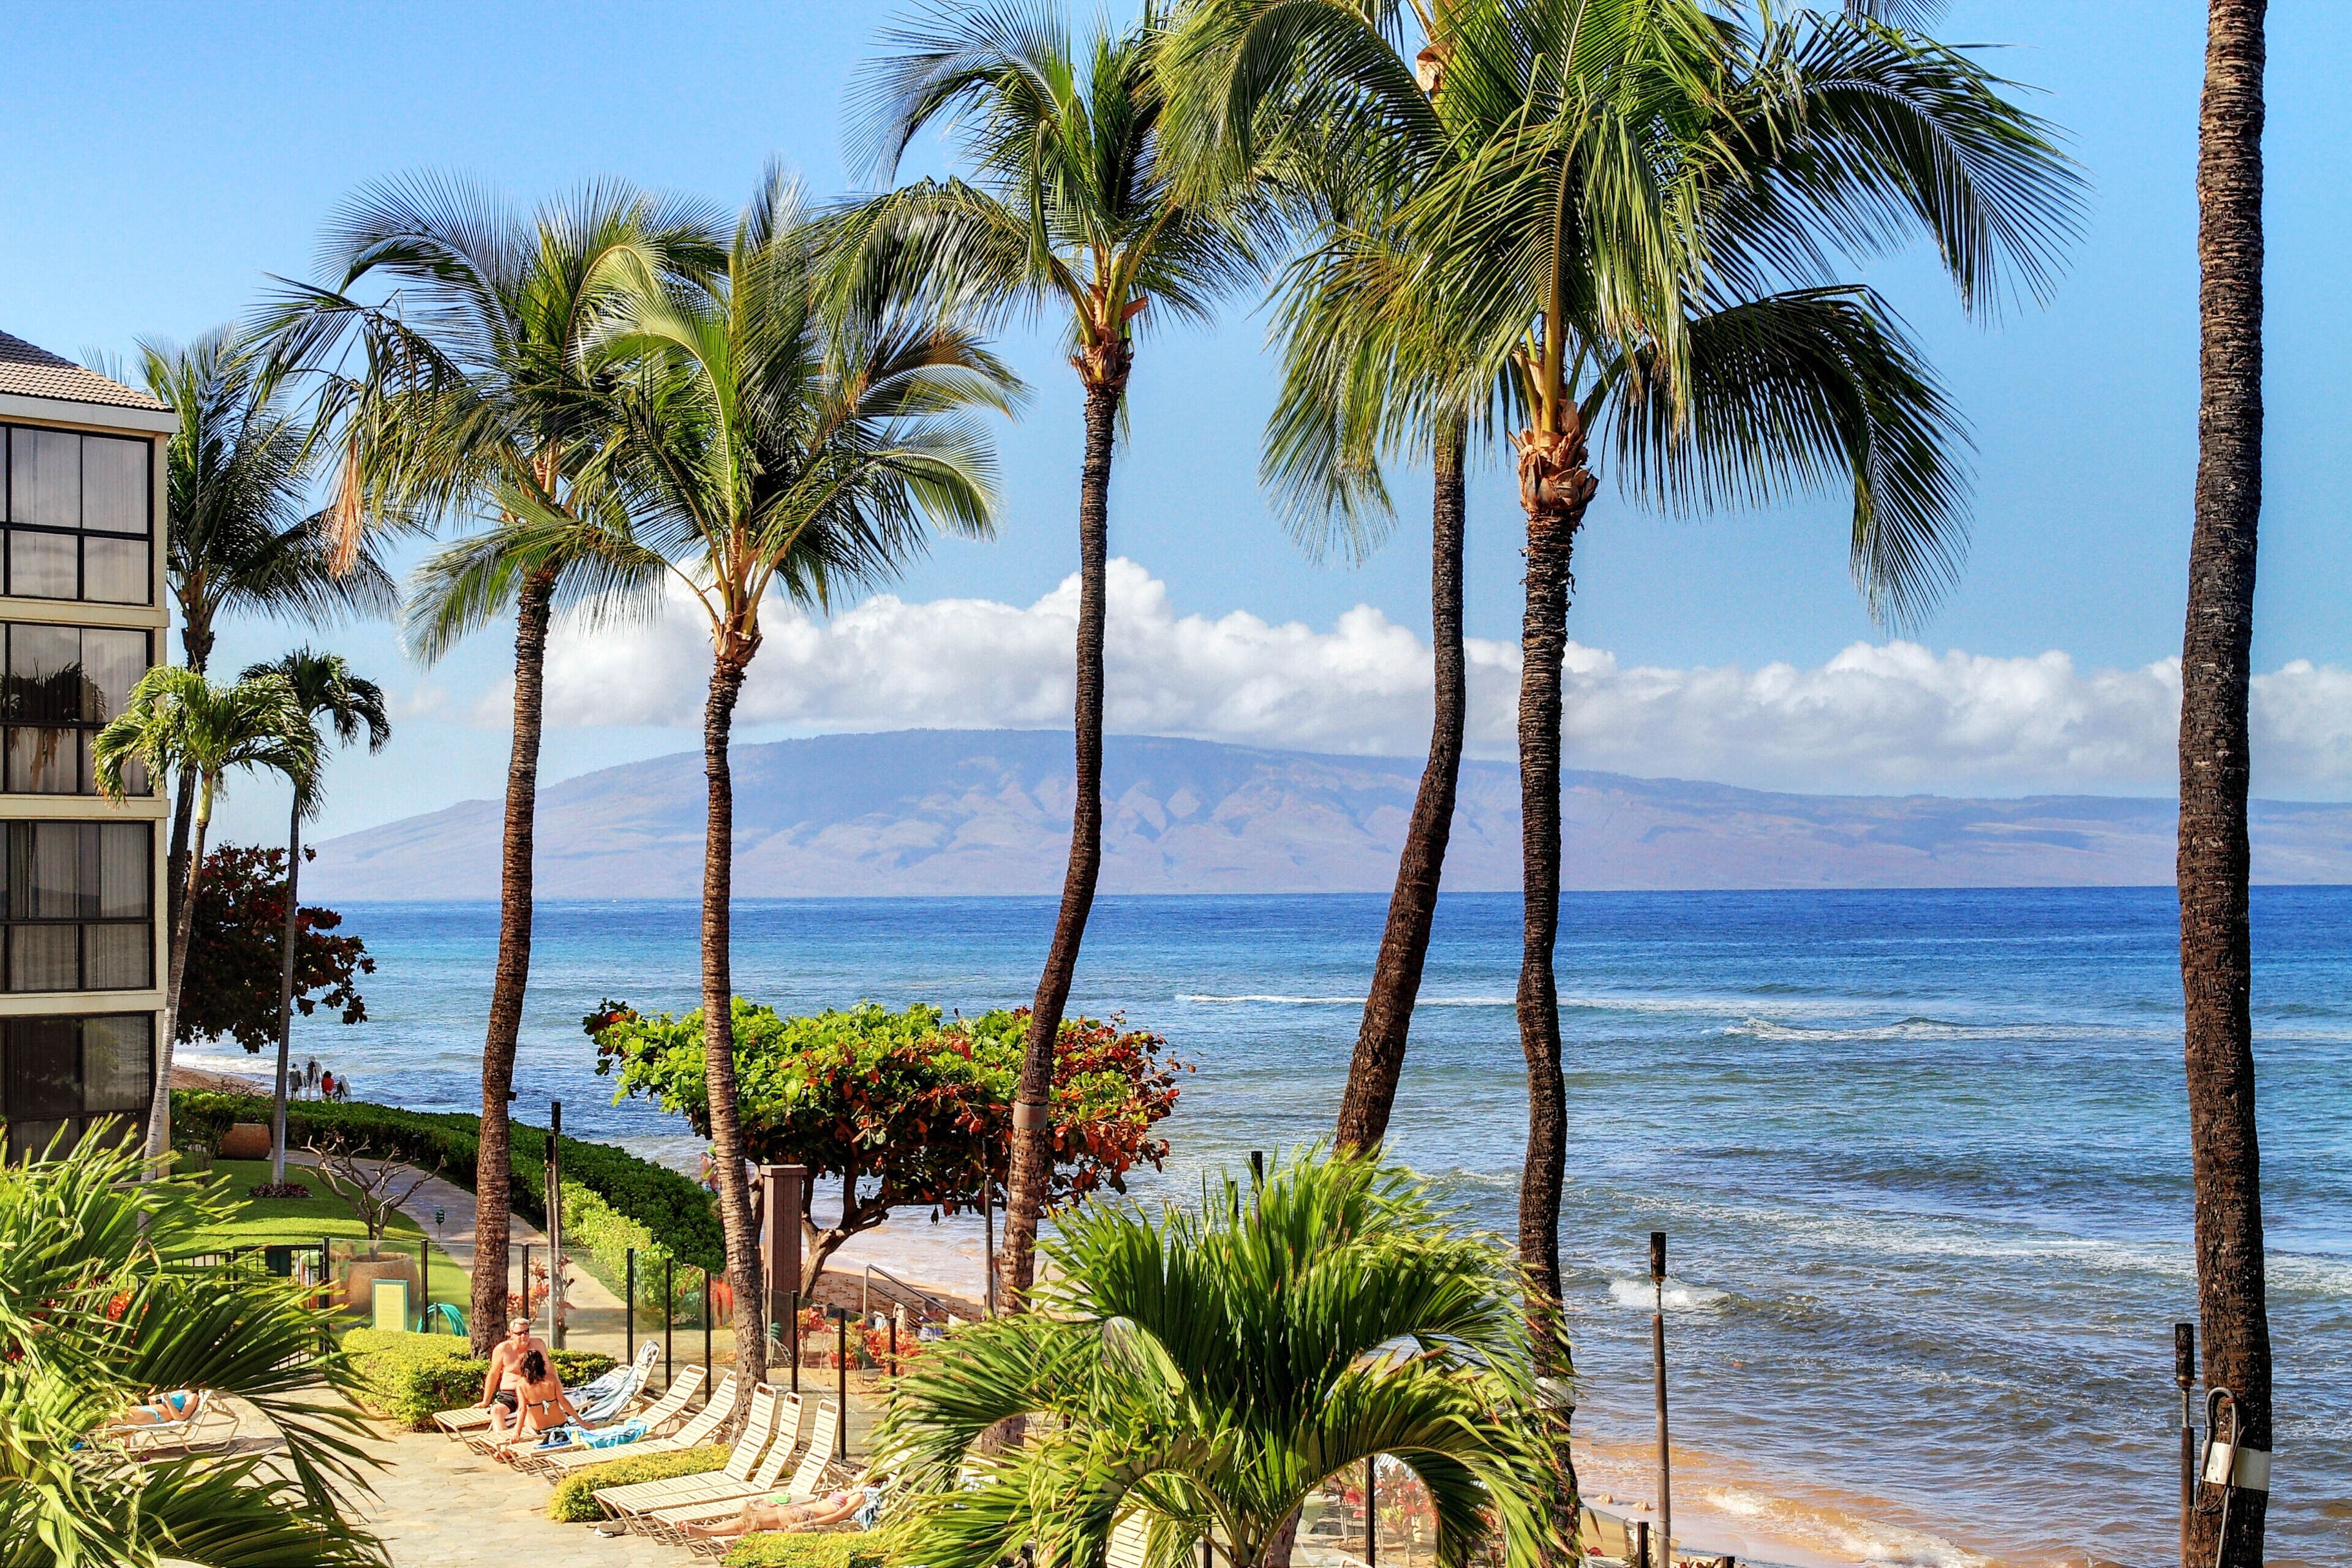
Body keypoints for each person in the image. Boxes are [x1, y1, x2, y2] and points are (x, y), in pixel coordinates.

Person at [679, 1474, 884, 1542]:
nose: (858, 1472)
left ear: (871, 1479)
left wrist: (810, 1524)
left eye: (863, 1471)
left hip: (803, 1515)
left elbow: (839, 1516)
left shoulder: (860, 1496)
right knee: (749, 1519)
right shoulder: (851, 1491)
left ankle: (705, 1532)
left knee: (754, 1522)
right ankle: (706, 1531)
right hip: (799, 1510)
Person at [487, 1349, 576, 1461]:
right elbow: (564, 1402)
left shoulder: (521, 1384)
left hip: (539, 1429)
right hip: (562, 1424)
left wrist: (516, 1434)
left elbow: (522, 1410)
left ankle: (508, 1448)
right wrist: (581, 1422)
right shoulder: (551, 1379)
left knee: (528, 1414)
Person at [478, 1316, 546, 1438]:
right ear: (510, 1334)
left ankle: (519, 1442)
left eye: (526, 1332)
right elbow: (493, 1375)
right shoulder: (503, 1349)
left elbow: (549, 1368)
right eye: (519, 1333)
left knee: (530, 1415)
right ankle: (504, 1444)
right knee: (496, 1411)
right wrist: (485, 1401)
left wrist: (559, 1388)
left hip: (531, 1392)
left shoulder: (538, 1345)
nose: (524, 1336)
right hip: (510, 1394)